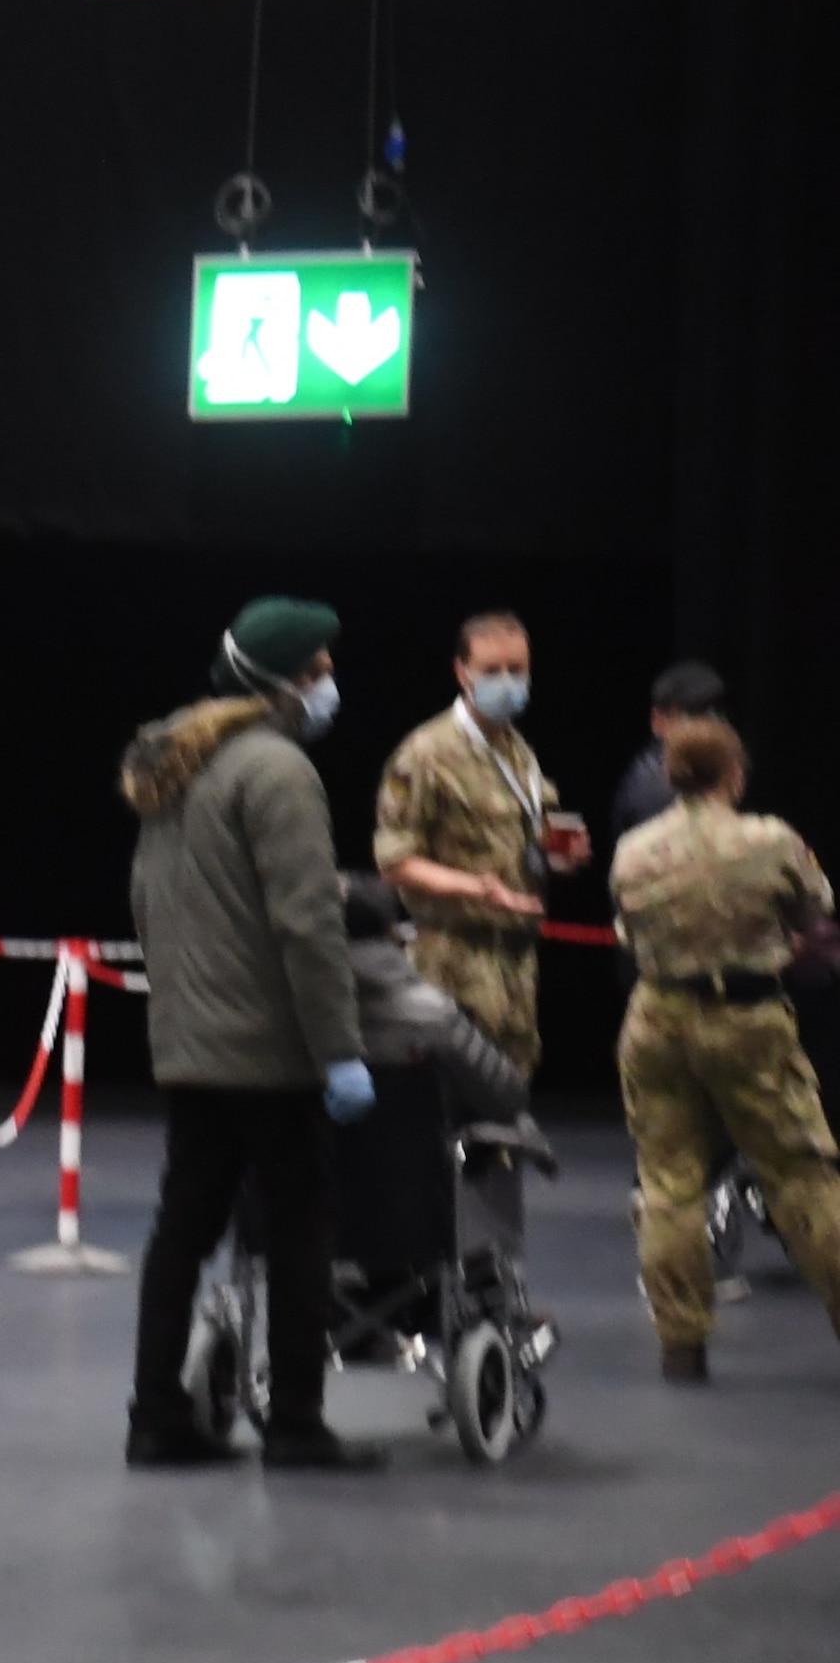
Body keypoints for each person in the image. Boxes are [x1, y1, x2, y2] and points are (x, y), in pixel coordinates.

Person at [120, 599, 377, 1472]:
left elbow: (147, 902)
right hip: (271, 1054)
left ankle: (155, 1417)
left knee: (181, 1231)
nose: (327, 683)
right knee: (301, 1232)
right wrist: (339, 1047)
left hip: (190, 1047)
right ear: (274, 680)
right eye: (315, 669)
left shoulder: (175, 763)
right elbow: (308, 923)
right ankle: (298, 1421)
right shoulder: (277, 771)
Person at [609, 721, 840, 1382]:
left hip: (658, 1018)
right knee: (802, 1172)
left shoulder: (633, 848)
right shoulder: (768, 840)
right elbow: (815, 909)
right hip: (747, 1017)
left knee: (668, 1183)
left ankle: (681, 1344)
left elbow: (627, 926)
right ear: (732, 774)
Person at [371, 612, 585, 1076]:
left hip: (514, 960)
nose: (506, 682)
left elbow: (524, 838)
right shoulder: (426, 754)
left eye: (517, 670)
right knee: (453, 1106)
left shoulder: (519, 753)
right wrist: (478, 888)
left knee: (509, 1101)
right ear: (462, 672)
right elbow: (395, 861)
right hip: (452, 961)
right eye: (491, 671)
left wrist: (559, 855)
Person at [341, 875, 544, 1266]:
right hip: (416, 1220)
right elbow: (507, 1097)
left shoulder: (281, 1024)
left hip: (303, 1223)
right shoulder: (434, 1017)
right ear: (394, 934)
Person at [609, 663, 722, 851]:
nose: (708, 726)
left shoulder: (706, 772)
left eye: (713, 714)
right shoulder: (653, 784)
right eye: (692, 716)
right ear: (658, 721)